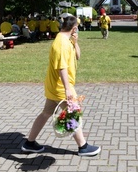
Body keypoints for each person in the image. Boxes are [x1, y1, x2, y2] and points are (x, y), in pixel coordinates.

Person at [21, 16, 101, 157]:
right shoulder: (61, 43)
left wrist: (75, 43)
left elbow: (78, 56)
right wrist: (67, 89)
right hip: (60, 86)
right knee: (72, 114)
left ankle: (29, 143)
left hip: (55, 86)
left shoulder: (67, 40)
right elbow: (61, 67)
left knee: (46, 113)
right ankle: (83, 146)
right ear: (74, 27)